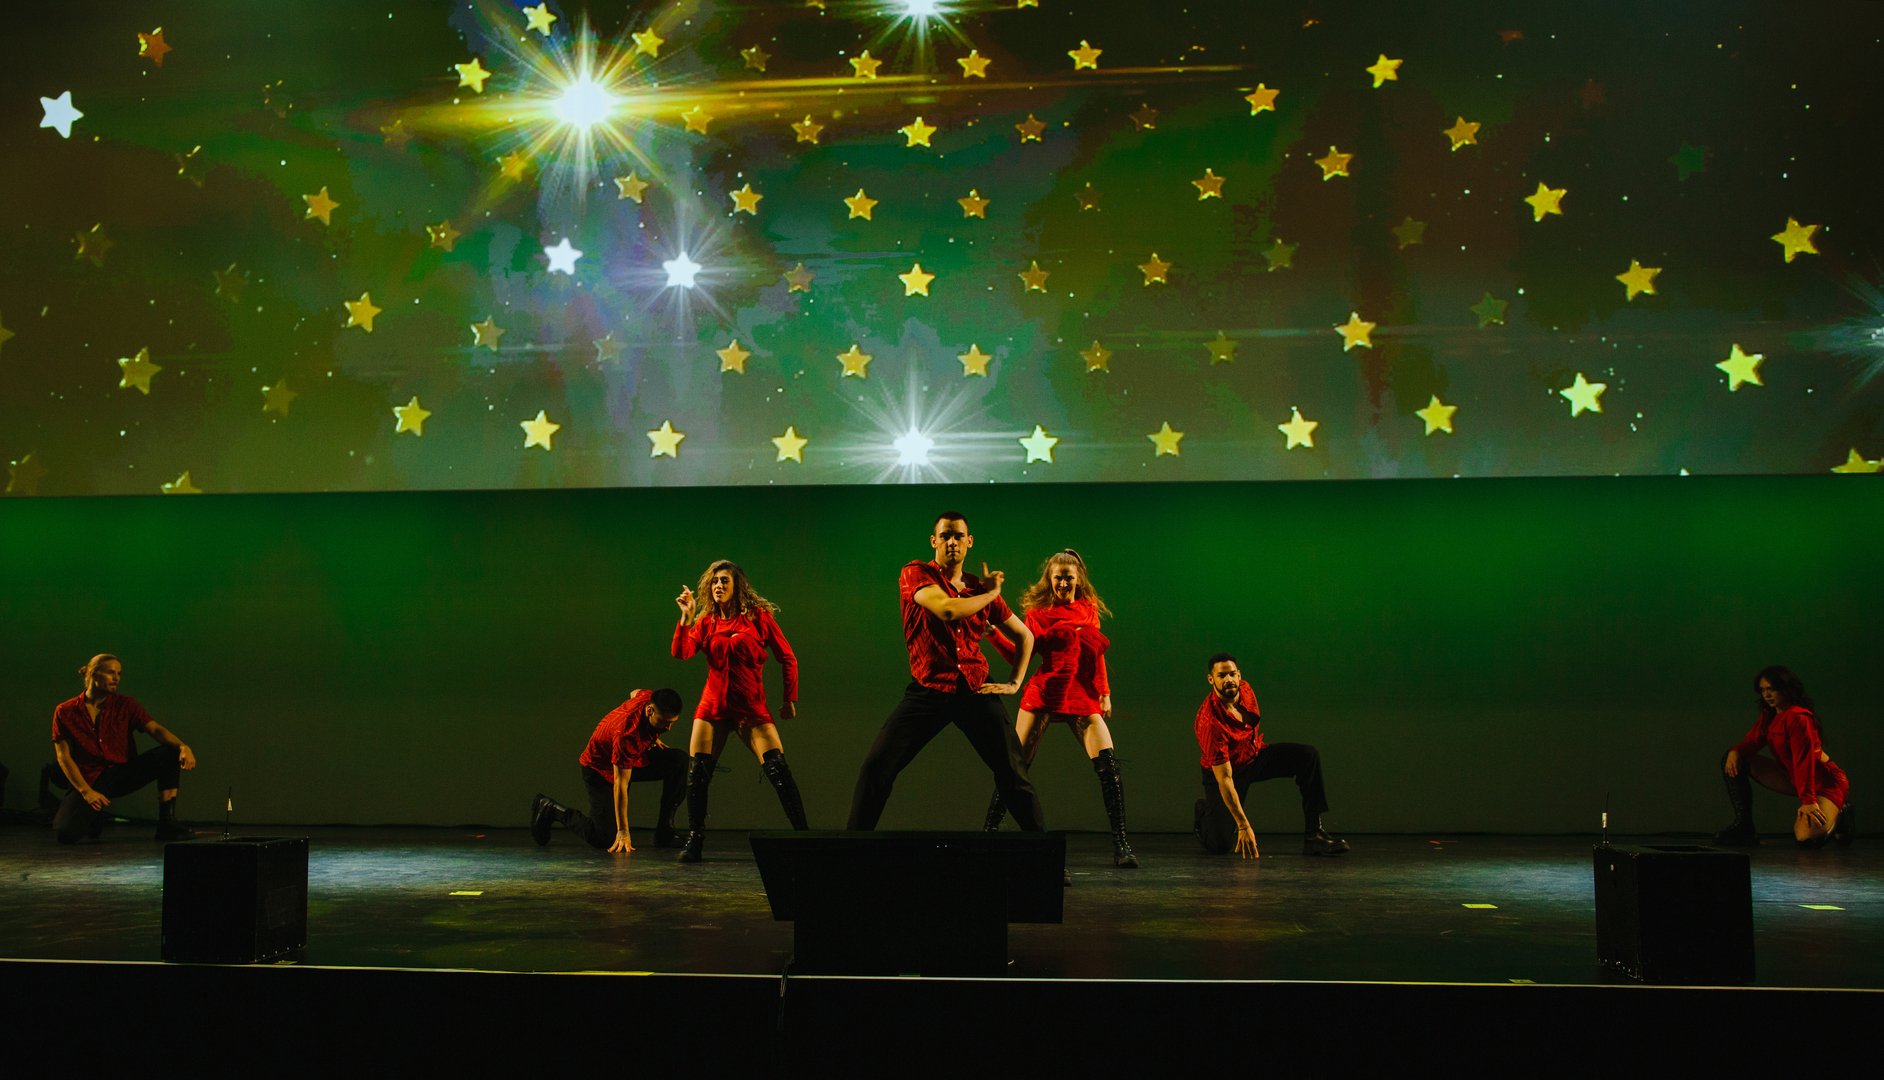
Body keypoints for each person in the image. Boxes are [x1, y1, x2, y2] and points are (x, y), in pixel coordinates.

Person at [847, 511, 1046, 833]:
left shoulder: (977, 587)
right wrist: (990, 594)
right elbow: (947, 609)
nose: (952, 542)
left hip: (976, 689)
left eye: (958, 536)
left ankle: (1040, 850)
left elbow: (1026, 636)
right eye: (945, 536)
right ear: (934, 541)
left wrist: (1014, 682)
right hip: (929, 689)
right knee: (877, 768)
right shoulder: (916, 573)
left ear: (969, 542)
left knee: (1013, 771)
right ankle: (852, 849)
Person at [984, 549, 1137, 867]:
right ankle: (988, 834)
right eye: (1058, 578)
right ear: (1049, 580)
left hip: (1080, 693)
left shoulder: (1088, 609)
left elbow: (1096, 653)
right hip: (1047, 691)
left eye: (1069, 578)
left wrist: (1105, 692)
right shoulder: (1037, 614)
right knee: (1015, 767)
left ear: (1078, 579)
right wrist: (993, 634)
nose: (1063, 583)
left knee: (1109, 767)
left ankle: (1122, 846)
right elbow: (1018, 655)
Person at [669, 560, 807, 863]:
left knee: (778, 771)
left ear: (737, 586)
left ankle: (804, 836)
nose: (718, 586)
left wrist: (789, 699)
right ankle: (695, 839)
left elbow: (788, 658)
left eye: (724, 581)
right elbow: (681, 653)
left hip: (750, 708)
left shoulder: (758, 618)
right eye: (714, 581)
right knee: (697, 775)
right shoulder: (706, 623)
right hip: (713, 707)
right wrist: (686, 618)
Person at [1193, 653, 1348, 858]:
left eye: (1232, 674)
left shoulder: (1245, 690)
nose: (1228, 679)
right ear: (1211, 679)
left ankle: (1314, 836)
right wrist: (1243, 825)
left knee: (1307, 756)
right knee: (1220, 845)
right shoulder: (1210, 722)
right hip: (1226, 773)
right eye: (1222, 676)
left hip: (1254, 756)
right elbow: (1225, 778)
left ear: (1239, 675)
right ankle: (1204, 812)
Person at [50, 654, 198, 844]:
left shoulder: (126, 705)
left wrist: (183, 746)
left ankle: (167, 822)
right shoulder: (65, 711)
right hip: (89, 778)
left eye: (119, 673)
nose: (116, 678)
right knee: (66, 835)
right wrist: (86, 791)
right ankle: (94, 817)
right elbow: (63, 756)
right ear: (93, 674)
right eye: (111, 673)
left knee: (169, 753)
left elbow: (155, 729)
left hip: (121, 774)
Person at [531, 688, 686, 854]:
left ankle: (665, 833)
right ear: (650, 711)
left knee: (679, 761)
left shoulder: (647, 698)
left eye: (672, 722)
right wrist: (623, 831)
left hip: (631, 759)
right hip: (600, 771)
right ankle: (550, 808)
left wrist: (654, 736)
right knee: (604, 838)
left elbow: (634, 692)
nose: (669, 727)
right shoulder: (626, 735)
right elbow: (621, 784)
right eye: (664, 722)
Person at [1714, 665, 1854, 847]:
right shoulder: (1770, 715)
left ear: (1786, 688)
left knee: (1807, 839)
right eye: (1763, 690)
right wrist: (1736, 750)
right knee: (1735, 759)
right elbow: (1753, 741)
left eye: (1771, 689)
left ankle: (1842, 813)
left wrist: (1808, 802)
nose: (1766, 695)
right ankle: (1745, 827)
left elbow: (1804, 761)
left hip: (1825, 783)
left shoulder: (1798, 718)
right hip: (1793, 776)